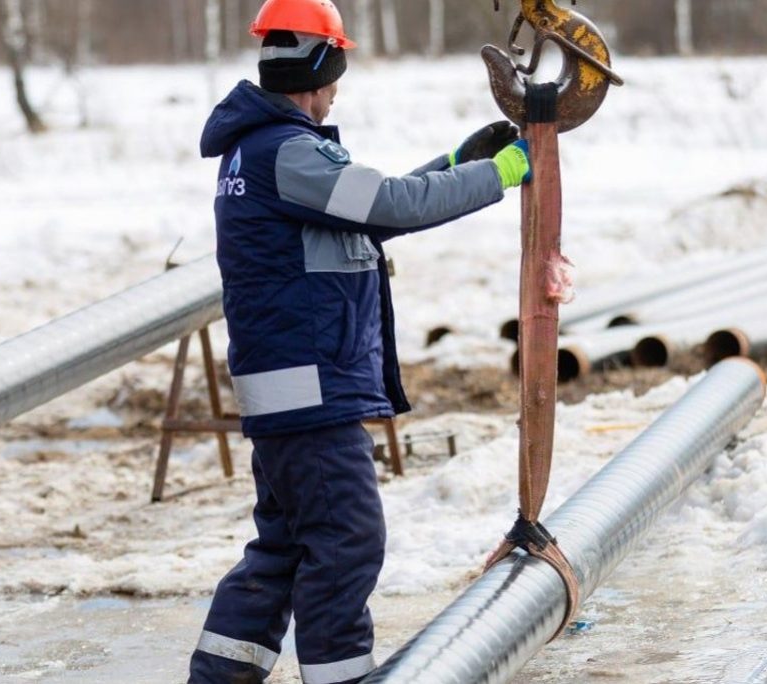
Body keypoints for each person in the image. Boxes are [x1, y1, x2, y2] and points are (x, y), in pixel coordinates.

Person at [189, 0, 530, 682]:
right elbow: (393, 205)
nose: (337, 91)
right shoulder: (285, 152)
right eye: (337, 73)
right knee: (348, 541)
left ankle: (220, 675)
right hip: (311, 395)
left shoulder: (265, 151)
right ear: (322, 68)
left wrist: (459, 159)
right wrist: (501, 174)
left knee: (284, 548)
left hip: (291, 393)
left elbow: (369, 215)